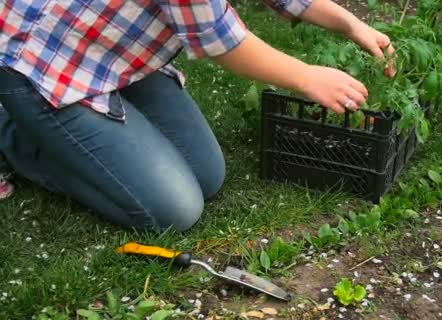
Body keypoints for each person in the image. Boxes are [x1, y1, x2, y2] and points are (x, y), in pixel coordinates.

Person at [0, 0, 394, 231]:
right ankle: (14, 134)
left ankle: (72, 136)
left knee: (205, 174)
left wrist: (351, 24)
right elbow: (221, 41)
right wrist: (306, 76)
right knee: (173, 210)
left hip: (117, 54)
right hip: (42, 62)